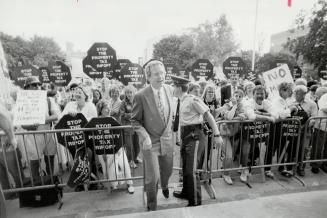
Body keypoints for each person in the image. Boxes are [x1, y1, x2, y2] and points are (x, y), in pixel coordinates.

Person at [171, 75, 223, 207]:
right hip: (186, 135)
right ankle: (186, 192)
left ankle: (195, 201)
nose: (172, 88)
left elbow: (208, 115)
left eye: (173, 86)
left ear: (178, 87)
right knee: (185, 168)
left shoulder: (193, 100)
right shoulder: (181, 100)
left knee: (192, 170)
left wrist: (217, 134)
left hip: (195, 136)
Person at [131, 60, 176, 211]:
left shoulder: (170, 89)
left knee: (168, 171)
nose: (161, 76)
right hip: (150, 143)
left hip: (167, 141)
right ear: (148, 77)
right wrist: (145, 136)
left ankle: (165, 185)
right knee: (152, 178)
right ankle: (152, 207)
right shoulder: (140, 95)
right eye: (156, 74)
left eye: (162, 73)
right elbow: (135, 121)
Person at [18, 76, 59, 179]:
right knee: (35, 162)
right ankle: (36, 186)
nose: (37, 87)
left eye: (39, 84)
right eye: (34, 85)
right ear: (27, 87)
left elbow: (56, 116)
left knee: (50, 159)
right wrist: (29, 126)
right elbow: (22, 123)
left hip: (48, 133)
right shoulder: (23, 101)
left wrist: (41, 120)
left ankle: (50, 184)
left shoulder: (48, 99)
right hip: (33, 135)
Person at [96, 100, 134, 193]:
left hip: (116, 147)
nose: (108, 109)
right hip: (103, 150)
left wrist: (119, 147)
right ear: (100, 110)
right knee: (108, 168)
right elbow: (96, 138)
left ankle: (130, 184)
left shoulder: (113, 119)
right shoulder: (96, 121)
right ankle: (112, 185)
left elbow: (118, 134)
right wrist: (102, 151)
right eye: (105, 108)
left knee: (124, 164)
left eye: (109, 107)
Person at [120, 85, 141, 169]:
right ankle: (130, 160)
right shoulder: (123, 102)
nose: (129, 94)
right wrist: (133, 115)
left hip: (136, 126)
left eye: (130, 92)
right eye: (127, 92)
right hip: (127, 127)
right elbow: (122, 114)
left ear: (134, 92)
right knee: (129, 145)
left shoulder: (137, 101)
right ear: (125, 93)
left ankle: (135, 158)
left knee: (137, 144)